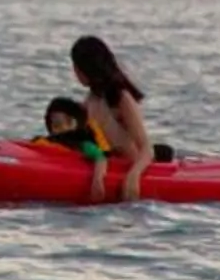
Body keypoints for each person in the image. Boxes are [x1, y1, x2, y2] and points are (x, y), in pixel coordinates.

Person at [68, 35, 162, 200]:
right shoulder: (91, 100)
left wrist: (133, 176)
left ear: (87, 68)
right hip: (108, 164)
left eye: (76, 67)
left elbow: (147, 148)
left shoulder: (121, 99)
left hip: (133, 167)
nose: (74, 72)